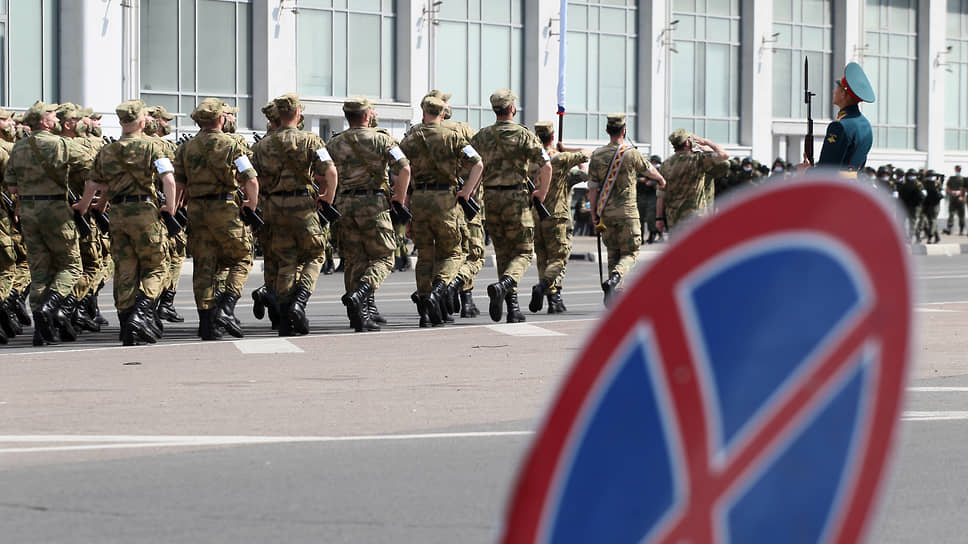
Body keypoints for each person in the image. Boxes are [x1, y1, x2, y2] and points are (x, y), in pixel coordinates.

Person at [77, 99, 176, 345]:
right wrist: (170, 206)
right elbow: (168, 180)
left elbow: (93, 183)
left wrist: (87, 205)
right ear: (142, 122)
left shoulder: (107, 150)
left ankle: (126, 326)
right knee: (156, 266)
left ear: (121, 122)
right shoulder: (152, 147)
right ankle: (141, 313)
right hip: (144, 211)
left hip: (118, 214)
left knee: (125, 269)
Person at [5, 101, 94, 346]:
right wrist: (85, 202)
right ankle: (50, 306)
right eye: (53, 115)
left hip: (29, 212)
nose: (56, 119)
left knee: (39, 270)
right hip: (56, 210)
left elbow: (11, 187)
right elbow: (93, 170)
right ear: (44, 121)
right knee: (72, 266)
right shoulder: (61, 144)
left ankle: (40, 331)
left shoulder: (19, 147)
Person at [173, 97, 260, 340]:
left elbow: (178, 184)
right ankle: (226, 307)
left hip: (197, 210)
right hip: (224, 207)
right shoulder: (232, 145)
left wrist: (175, 208)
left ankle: (207, 324)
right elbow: (250, 178)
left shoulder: (185, 148)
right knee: (242, 257)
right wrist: (251, 204)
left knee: (204, 266)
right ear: (221, 118)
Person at [249, 93, 335, 337]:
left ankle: (286, 317)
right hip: (302, 206)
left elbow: (249, 179)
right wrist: (327, 197)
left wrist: (256, 203)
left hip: (274, 207)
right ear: (297, 113)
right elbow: (330, 172)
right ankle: (300, 301)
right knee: (316, 254)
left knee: (286, 260)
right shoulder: (311, 140)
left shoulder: (261, 145)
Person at [327, 96, 411, 332]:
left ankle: (358, 317)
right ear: (367, 115)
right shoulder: (382, 139)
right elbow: (404, 168)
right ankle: (362, 293)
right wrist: (399, 197)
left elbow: (322, 173)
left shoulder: (334, 143)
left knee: (354, 260)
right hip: (373, 203)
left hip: (344, 204)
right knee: (384, 257)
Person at [399, 94, 483, 327]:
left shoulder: (411, 138)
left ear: (424, 112)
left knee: (425, 256)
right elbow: (478, 163)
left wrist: (405, 205)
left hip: (419, 199)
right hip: (446, 199)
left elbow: (400, 169)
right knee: (453, 253)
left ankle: (425, 312)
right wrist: (467, 191)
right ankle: (438, 291)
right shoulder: (453, 136)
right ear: (443, 113)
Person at [470, 89, 551, 323]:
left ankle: (512, 308)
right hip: (516, 198)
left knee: (503, 253)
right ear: (512, 108)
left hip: (491, 199)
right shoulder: (524, 135)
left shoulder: (482, 136)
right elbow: (546, 165)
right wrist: (541, 192)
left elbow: (469, 164)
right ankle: (505, 285)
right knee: (524, 252)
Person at [588, 113, 666, 306]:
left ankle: (614, 296)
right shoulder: (630, 153)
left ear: (607, 130)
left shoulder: (597, 155)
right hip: (627, 213)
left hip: (606, 213)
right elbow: (649, 170)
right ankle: (615, 278)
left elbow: (593, 189)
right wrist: (661, 179)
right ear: (624, 130)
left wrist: (594, 214)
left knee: (613, 253)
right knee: (630, 253)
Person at [528, 121, 589, 314]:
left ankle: (554, 299)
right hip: (557, 215)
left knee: (542, 258)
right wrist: (565, 149)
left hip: (536, 215)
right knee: (559, 258)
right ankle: (543, 286)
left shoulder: (530, 161)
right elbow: (586, 157)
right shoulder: (560, 158)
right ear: (552, 137)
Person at [144, 105, 186, 323]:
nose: (167, 124)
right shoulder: (164, 147)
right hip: (161, 210)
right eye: (164, 120)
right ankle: (164, 302)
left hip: (136, 210)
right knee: (173, 255)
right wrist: (174, 206)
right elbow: (175, 180)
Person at [802, 62, 875, 173]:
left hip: (837, 184)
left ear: (843, 94)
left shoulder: (839, 126)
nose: (834, 92)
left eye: (837, 89)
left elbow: (826, 171)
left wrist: (806, 171)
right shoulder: (866, 125)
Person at [658, 128, 730, 229]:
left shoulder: (665, 164)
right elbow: (725, 156)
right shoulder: (698, 160)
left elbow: (661, 195)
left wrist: (659, 218)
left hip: (674, 218)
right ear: (688, 142)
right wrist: (707, 142)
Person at [918, 169, 943, 244]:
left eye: (932, 175)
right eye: (930, 175)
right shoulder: (924, 183)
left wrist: (937, 194)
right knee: (928, 221)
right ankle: (937, 236)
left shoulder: (937, 183)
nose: (931, 177)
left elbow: (942, 194)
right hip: (926, 204)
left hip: (935, 205)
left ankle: (930, 236)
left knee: (932, 220)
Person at [945, 165, 965, 236]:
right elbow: (947, 188)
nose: (958, 170)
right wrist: (952, 192)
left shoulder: (963, 179)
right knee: (952, 214)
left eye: (958, 169)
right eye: (957, 169)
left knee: (960, 215)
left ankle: (960, 230)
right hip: (954, 198)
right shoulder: (952, 178)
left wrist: (959, 193)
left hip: (959, 199)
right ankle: (950, 229)